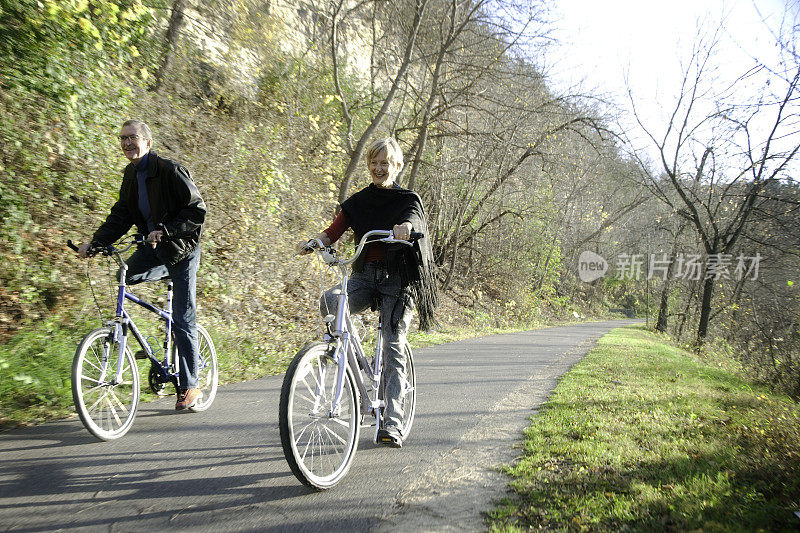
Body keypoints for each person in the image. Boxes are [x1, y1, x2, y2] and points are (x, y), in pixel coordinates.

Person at [301, 137, 438, 448]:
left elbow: (412, 218)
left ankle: (393, 422)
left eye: (385, 163)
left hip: (397, 280)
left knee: (393, 345)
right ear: (369, 166)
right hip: (365, 276)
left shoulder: (408, 199)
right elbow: (335, 229)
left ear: (397, 166)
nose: (379, 168)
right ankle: (349, 362)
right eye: (375, 163)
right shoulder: (360, 201)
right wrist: (316, 241)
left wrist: (404, 227)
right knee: (330, 300)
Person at [77, 119, 207, 411]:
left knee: (183, 318)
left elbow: (196, 211)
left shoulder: (170, 170)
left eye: (132, 137)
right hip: (152, 249)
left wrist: (167, 229)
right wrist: (96, 242)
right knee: (127, 275)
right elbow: (121, 214)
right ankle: (161, 289)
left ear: (148, 142)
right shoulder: (130, 174)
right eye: (122, 138)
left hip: (181, 249)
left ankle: (190, 386)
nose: (126, 143)